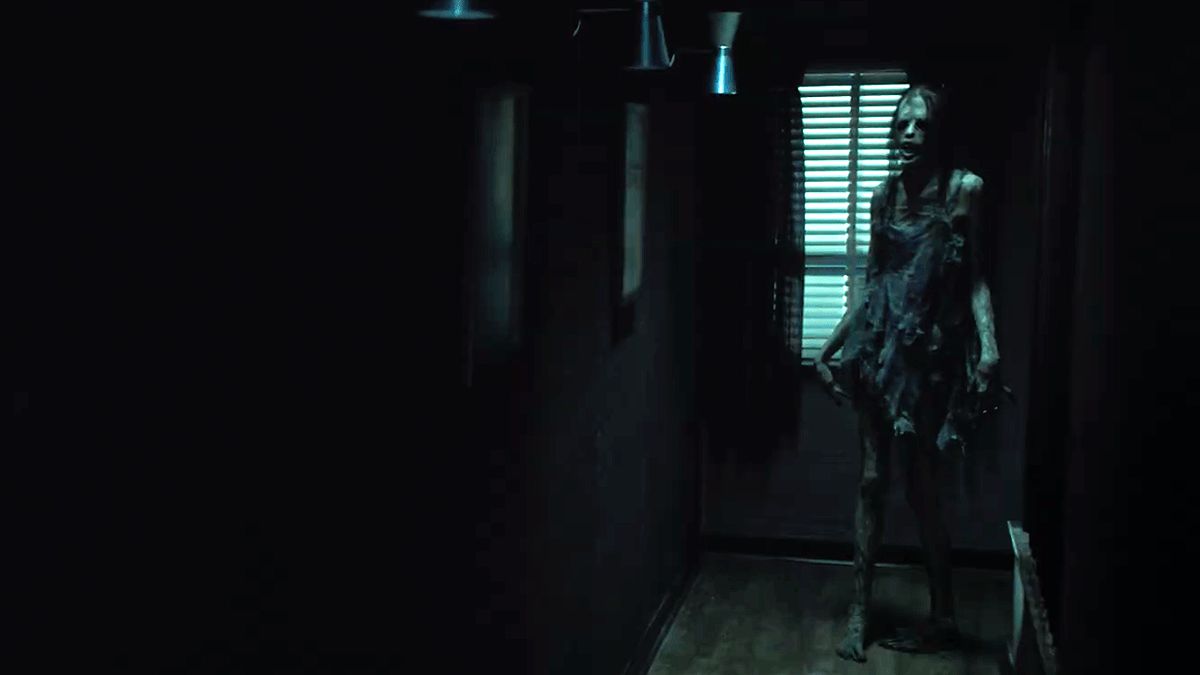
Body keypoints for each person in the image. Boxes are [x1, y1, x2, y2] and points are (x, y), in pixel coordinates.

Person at [813, 84, 1002, 662]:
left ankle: (944, 616)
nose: (909, 133)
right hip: (880, 351)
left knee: (923, 490)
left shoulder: (964, 189)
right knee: (872, 481)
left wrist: (989, 348)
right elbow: (873, 284)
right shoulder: (882, 196)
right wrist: (828, 347)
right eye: (901, 124)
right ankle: (859, 613)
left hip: (930, 357)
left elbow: (975, 276)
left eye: (920, 124)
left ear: (939, 131)